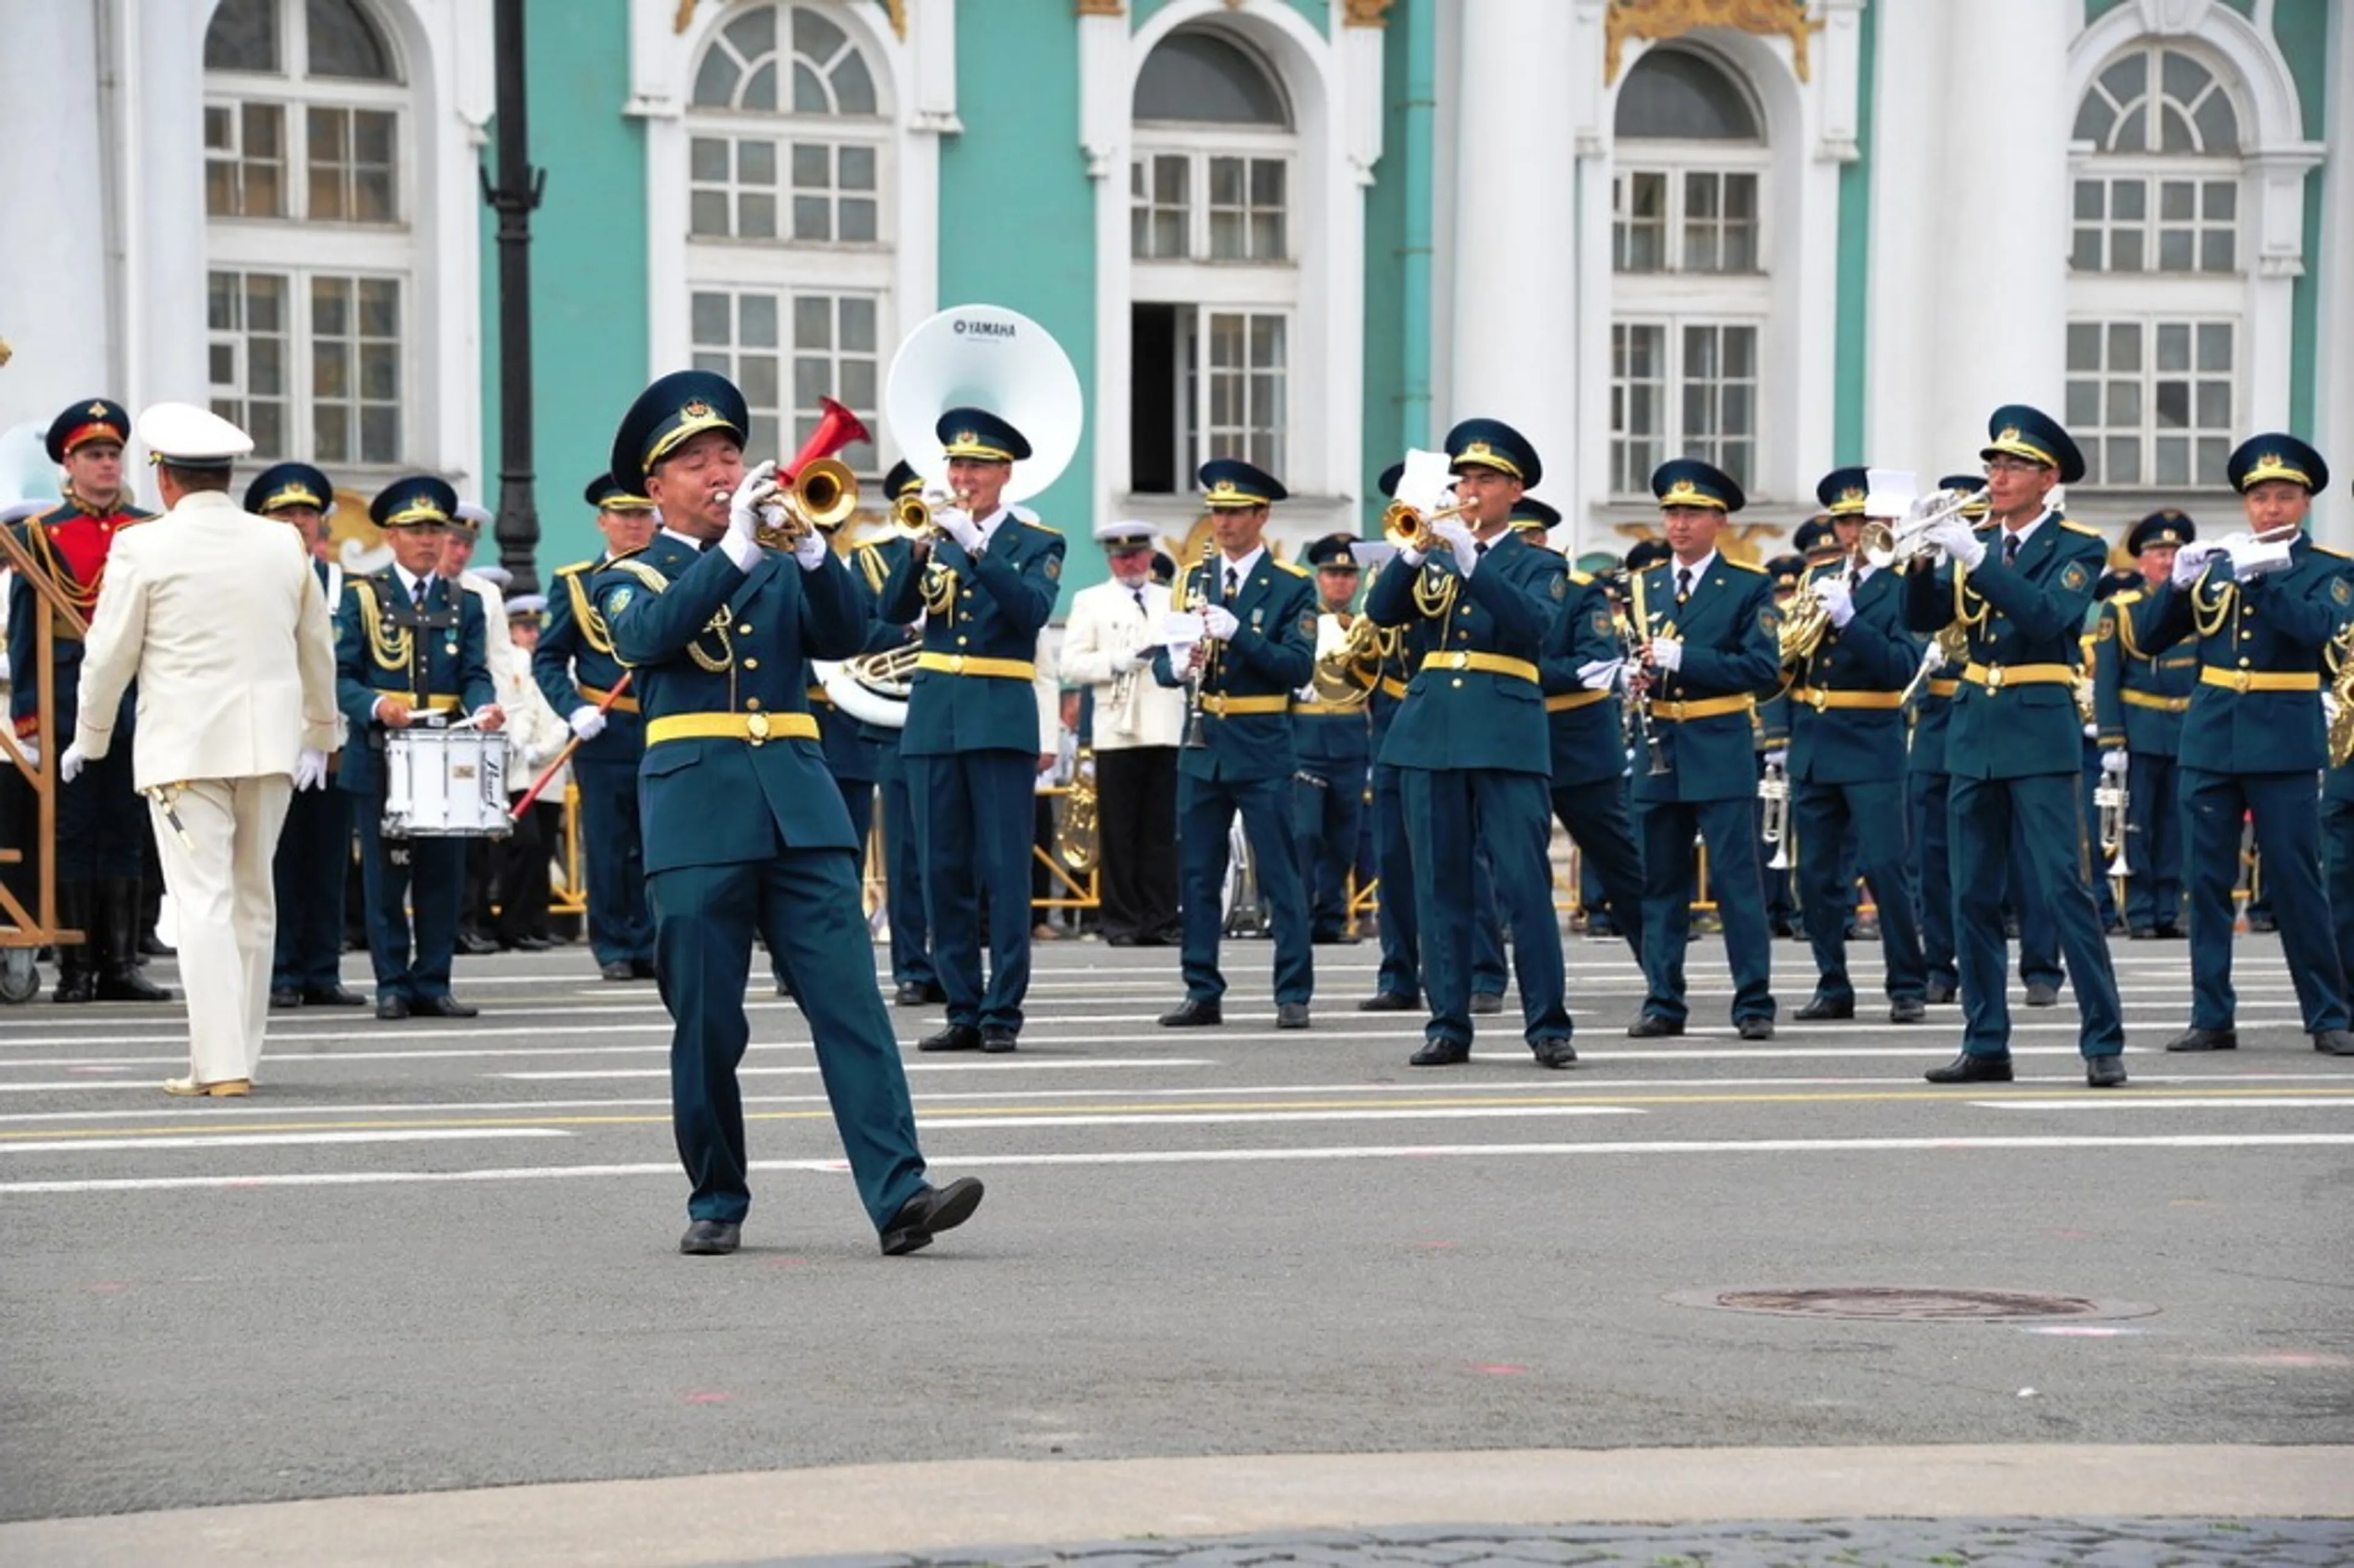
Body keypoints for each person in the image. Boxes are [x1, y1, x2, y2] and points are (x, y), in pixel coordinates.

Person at [595, 367, 981, 1257]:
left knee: (853, 1005)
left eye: (729, 452)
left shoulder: (773, 558)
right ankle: (718, 1193)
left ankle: (899, 1194)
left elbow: (848, 634)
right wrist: (736, 551)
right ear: (655, 489)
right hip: (697, 811)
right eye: (695, 462)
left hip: (801, 807)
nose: (721, 471)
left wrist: (811, 553)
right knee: (708, 1020)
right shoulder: (632, 574)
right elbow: (651, 640)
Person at [63, 403, 338, 1095]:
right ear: (226, 476)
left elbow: (108, 656)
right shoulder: (282, 543)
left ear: (166, 479)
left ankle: (218, 1065)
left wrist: (89, 737)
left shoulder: (142, 546)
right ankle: (238, 1054)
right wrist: (322, 733)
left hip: (185, 748)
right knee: (253, 898)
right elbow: (317, 649)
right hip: (269, 744)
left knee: (204, 903)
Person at [1903, 405, 2127, 1087]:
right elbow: (1922, 619)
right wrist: (1920, 559)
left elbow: (2046, 616)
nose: (1997, 477)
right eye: (1993, 464)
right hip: (1974, 725)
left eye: (2013, 466)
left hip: (2038, 722)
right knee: (1971, 893)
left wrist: (1975, 557)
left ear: (2047, 476)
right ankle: (1986, 1041)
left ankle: (2102, 1039)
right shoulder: (1978, 539)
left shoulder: (2078, 546)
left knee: (2063, 887)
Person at [1365, 420, 1573, 1067]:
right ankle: (1447, 1021)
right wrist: (1411, 550)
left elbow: (1530, 625)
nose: (1470, 489)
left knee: (1522, 881)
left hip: (1506, 729)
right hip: (1430, 731)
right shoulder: (1430, 553)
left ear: (1515, 489)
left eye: (1484, 479)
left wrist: (1470, 559)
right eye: (1464, 479)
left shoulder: (1541, 562)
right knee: (1439, 883)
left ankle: (1547, 1024)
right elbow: (1380, 614)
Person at [2141, 435, 2354, 1057]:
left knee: (2295, 881)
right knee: (2204, 882)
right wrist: (2178, 587)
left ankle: (2327, 1011)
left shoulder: (2330, 570)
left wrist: (2263, 583)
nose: (2271, 508)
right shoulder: (2217, 563)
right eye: (2260, 497)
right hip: (2210, 737)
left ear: (2306, 504)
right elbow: (2153, 639)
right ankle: (2211, 1013)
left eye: (2285, 496)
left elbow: (2322, 633)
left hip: (2284, 739)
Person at [879, 409, 1065, 1053]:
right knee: (941, 867)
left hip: (999, 713)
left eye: (977, 466)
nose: (963, 477)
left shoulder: (1040, 543)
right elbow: (892, 613)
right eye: (956, 465)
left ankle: (1001, 1010)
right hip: (935, 715)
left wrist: (979, 549)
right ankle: (961, 1002)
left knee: (1004, 867)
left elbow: (1032, 611)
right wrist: (918, 550)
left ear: (1004, 474)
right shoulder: (935, 529)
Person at [7, 397, 171, 1004]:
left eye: (112, 454)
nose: (106, 465)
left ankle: (122, 962)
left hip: (137, 699)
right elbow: (26, 632)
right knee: (73, 831)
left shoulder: (149, 529)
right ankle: (76, 966)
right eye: (93, 455)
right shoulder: (40, 535)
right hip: (68, 702)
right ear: (69, 464)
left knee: (127, 828)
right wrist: (29, 714)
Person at [1152, 459, 1317, 1028]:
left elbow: (1296, 667)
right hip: (1202, 741)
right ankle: (1202, 988)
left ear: (1260, 516)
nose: (1221, 523)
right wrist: (1175, 664)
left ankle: (1292, 991)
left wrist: (1238, 633)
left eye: (1233, 512)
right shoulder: (1190, 580)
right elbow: (1161, 664)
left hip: (1262, 739)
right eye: (1216, 512)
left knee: (1279, 870)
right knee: (1198, 872)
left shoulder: (1293, 587)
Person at [336, 475, 503, 1020]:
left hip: (444, 753)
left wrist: (483, 707)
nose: (429, 540)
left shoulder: (466, 601)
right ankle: (391, 982)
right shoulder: (363, 596)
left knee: (442, 873)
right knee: (386, 875)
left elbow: (475, 672)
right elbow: (339, 675)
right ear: (391, 535)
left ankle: (434, 979)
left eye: (436, 529)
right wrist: (375, 706)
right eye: (416, 530)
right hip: (383, 751)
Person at [1625, 459, 1780, 1041]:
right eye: (1671, 512)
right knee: (1660, 881)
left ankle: (1754, 1002)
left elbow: (1762, 668)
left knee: (1737, 881)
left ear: (1719, 520)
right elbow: (1638, 658)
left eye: (1692, 513)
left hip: (1718, 742)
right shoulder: (1644, 585)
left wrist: (1684, 659)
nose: (1679, 524)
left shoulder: (1748, 585)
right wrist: (1633, 676)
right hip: (1660, 742)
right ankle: (1663, 1000)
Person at [1783, 468, 1929, 1024]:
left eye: (1864, 520)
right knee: (1816, 875)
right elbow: (1789, 659)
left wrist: (1848, 621)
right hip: (1816, 742)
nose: (1852, 532)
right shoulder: (1816, 577)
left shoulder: (1905, 585)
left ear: (1887, 523)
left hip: (1871, 741)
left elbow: (1900, 668)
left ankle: (1907, 984)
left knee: (1886, 868)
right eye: (1845, 521)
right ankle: (1832, 983)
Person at [246, 462, 367, 1010]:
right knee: (274, 860)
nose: (297, 523)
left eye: (306, 514)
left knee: (328, 860)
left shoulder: (347, 586)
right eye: (283, 513)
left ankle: (323, 968)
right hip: (270, 740)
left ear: (324, 524)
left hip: (331, 744)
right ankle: (281, 970)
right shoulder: (249, 582)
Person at [535, 474, 659, 980]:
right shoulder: (575, 583)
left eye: (642, 514)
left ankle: (651, 941)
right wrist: (573, 710)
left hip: (660, 727)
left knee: (658, 842)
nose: (634, 524)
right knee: (608, 844)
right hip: (602, 729)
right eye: (623, 516)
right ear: (602, 521)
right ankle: (613, 946)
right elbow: (548, 659)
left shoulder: (671, 576)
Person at [1057, 519, 1184, 946]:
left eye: (1136, 555)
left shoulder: (1173, 599)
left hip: (1165, 724)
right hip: (1117, 726)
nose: (1128, 563)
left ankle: (1162, 918)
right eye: (1120, 556)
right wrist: (1115, 662)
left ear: (1150, 555)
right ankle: (1122, 920)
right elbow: (1070, 664)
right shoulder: (1091, 601)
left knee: (1161, 830)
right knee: (1119, 829)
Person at [1532, 506, 1645, 963]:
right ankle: (1489, 975)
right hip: (1516, 740)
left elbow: (1595, 665)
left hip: (1580, 743)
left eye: (1531, 539)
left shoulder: (1581, 591)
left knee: (1618, 861)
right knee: (1510, 869)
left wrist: (1516, 674)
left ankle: (1659, 968)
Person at [857, 461, 940, 1003]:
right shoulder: (869, 560)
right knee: (907, 851)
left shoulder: (973, 545)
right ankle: (912, 966)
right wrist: (907, 629)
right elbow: (853, 629)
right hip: (896, 717)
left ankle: (955, 963)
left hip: (957, 713)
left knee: (959, 852)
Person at [2092, 511, 2197, 939]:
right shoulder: (2121, 611)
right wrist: (2112, 737)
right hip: (2139, 728)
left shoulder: (2197, 602)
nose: (2167, 561)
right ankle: (2138, 911)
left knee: (2176, 825)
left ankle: (2169, 910)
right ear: (2141, 561)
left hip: (2186, 727)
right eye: (2158, 553)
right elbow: (2107, 679)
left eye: (2174, 552)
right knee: (2136, 825)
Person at [1292, 533, 1374, 945]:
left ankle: (1332, 917)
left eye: (1347, 574)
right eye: (1332, 574)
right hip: (1306, 734)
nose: (1340, 583)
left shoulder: (1366, 625)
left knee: (1344, 835)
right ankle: (1297, 915)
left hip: (1349, 735)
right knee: (1306, 833)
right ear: (1319, 577)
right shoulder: (1301, 621)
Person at [493, 595, 568, 951]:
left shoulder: (541, 661)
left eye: (536, 628)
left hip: (545, 769)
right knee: (519, 849)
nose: (533, 635)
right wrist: (523, 746)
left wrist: (543, 748)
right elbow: (519, 712)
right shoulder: (514, 662)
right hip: (518, 768)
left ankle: (533, 922)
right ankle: (512, 923)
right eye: (525, 628)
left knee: (539, 852)